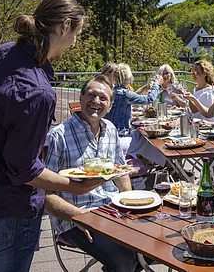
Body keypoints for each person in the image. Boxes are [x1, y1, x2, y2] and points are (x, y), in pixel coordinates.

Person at [0, 0, 106, 271]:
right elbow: (23, 170)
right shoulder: (38, 92)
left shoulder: (4, 52)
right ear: (64, 26)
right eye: (77, 33)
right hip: (9, 212)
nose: (75, 42)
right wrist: (76, 185)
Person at [45, 75, 143, 272]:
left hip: (112, 210)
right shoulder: (58, 136)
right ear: (81, 98)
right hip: (76, 217)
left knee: (151, 248)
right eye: (91, 95)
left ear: (111, 104)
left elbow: (121, 172)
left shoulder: (111, 130)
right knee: (124, 261)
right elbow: (44, 195)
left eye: (103, 98)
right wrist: (78, 216)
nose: (96, 102)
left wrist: (130, 204)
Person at [104, 63, 162, 131]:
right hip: (120, 133)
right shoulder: (125, 93)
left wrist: (129, 120)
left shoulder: (110, 90)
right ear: (129, 78)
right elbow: (149, 99)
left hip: (108, 130)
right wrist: (157, 85)